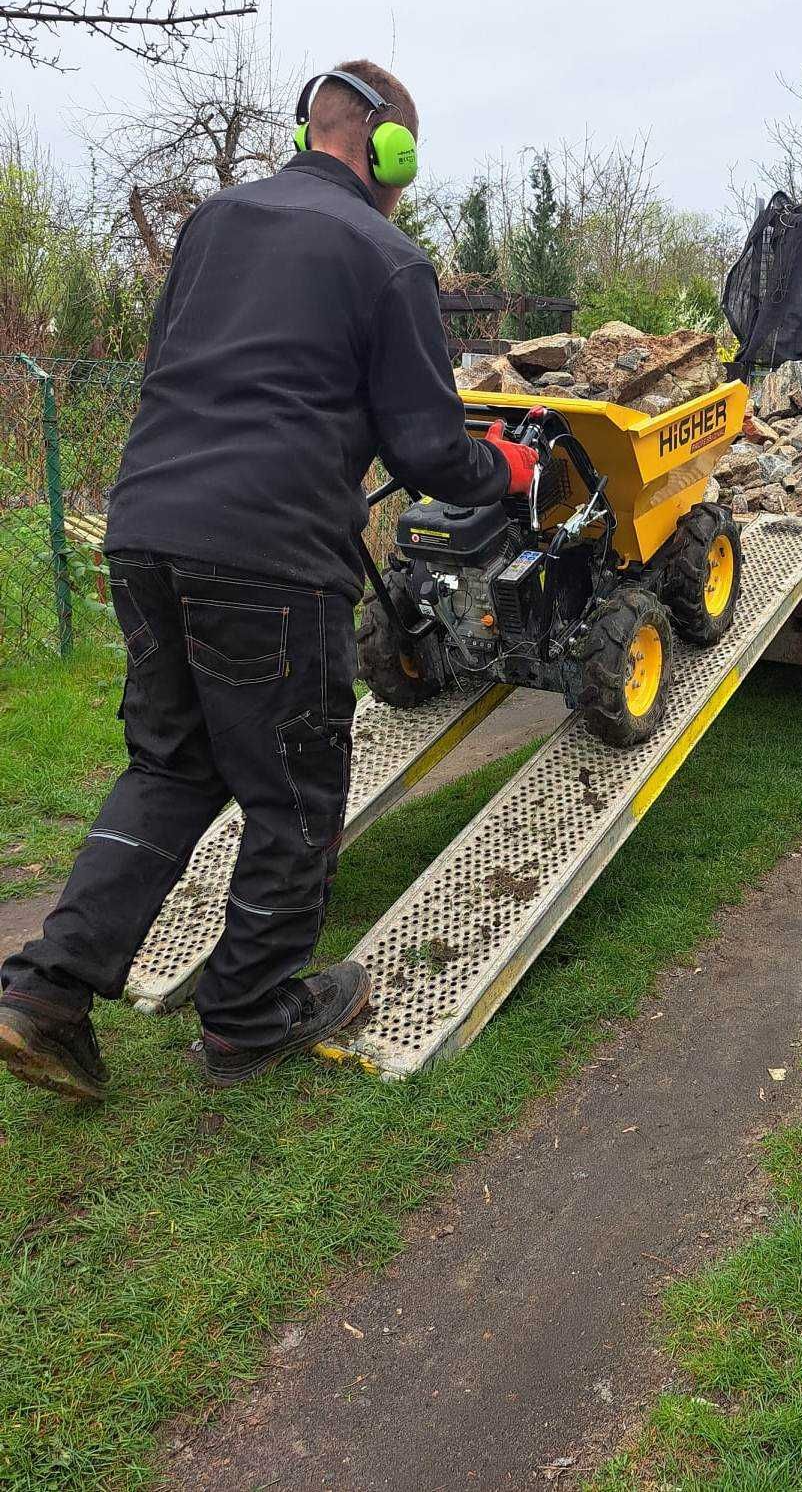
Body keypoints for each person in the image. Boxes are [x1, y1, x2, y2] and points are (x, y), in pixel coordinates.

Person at [0, 61, 538, 1102]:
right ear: (389, 152)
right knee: (294, 795)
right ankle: (250, 1016)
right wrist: (504, 467)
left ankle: (42, 994)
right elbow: (428, 448)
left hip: (145, 531)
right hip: (264, 558)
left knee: (171, 767)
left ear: (308, 130)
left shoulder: (212, 225)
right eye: (405, 164)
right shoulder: (386, 255)